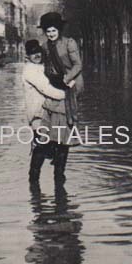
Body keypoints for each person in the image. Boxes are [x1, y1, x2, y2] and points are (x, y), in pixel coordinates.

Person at [39, 12, 83, 183]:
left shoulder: (69, 43)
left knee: (64, 128)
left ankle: (60, 172)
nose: (51, 34)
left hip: (70, 86)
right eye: (48, 31)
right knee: (51, 127)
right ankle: (55, 160)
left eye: (53, 30)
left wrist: (67, 80)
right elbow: (46, 67)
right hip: (54, 85)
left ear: (59, 30)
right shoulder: (44, 47)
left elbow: (78, 64)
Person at [22, 39, 67, 183]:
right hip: (38, 114)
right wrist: (66, 95)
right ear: (27, 55)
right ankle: (34, 181)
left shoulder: (42, 67)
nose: (37, 55)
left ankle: (58, 180)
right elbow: (45, 88)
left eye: (38, 52)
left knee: (61, 145)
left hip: (50, 113)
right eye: (32, 53)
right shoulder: (29, 70)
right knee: (41, 146)